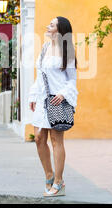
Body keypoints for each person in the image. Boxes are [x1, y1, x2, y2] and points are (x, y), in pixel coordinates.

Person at [28, 17, 78, 197]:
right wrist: (33, 95)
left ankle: (59, 181)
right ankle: (49, 175)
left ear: (60, 30)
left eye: (51, 25)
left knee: (57, 141)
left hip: (57, 100)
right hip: (42, 99)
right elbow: (39, 75)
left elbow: (72, 80)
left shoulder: (67, 51)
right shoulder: (44, 48)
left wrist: (63, 94)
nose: (47, 27)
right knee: (39, 138)